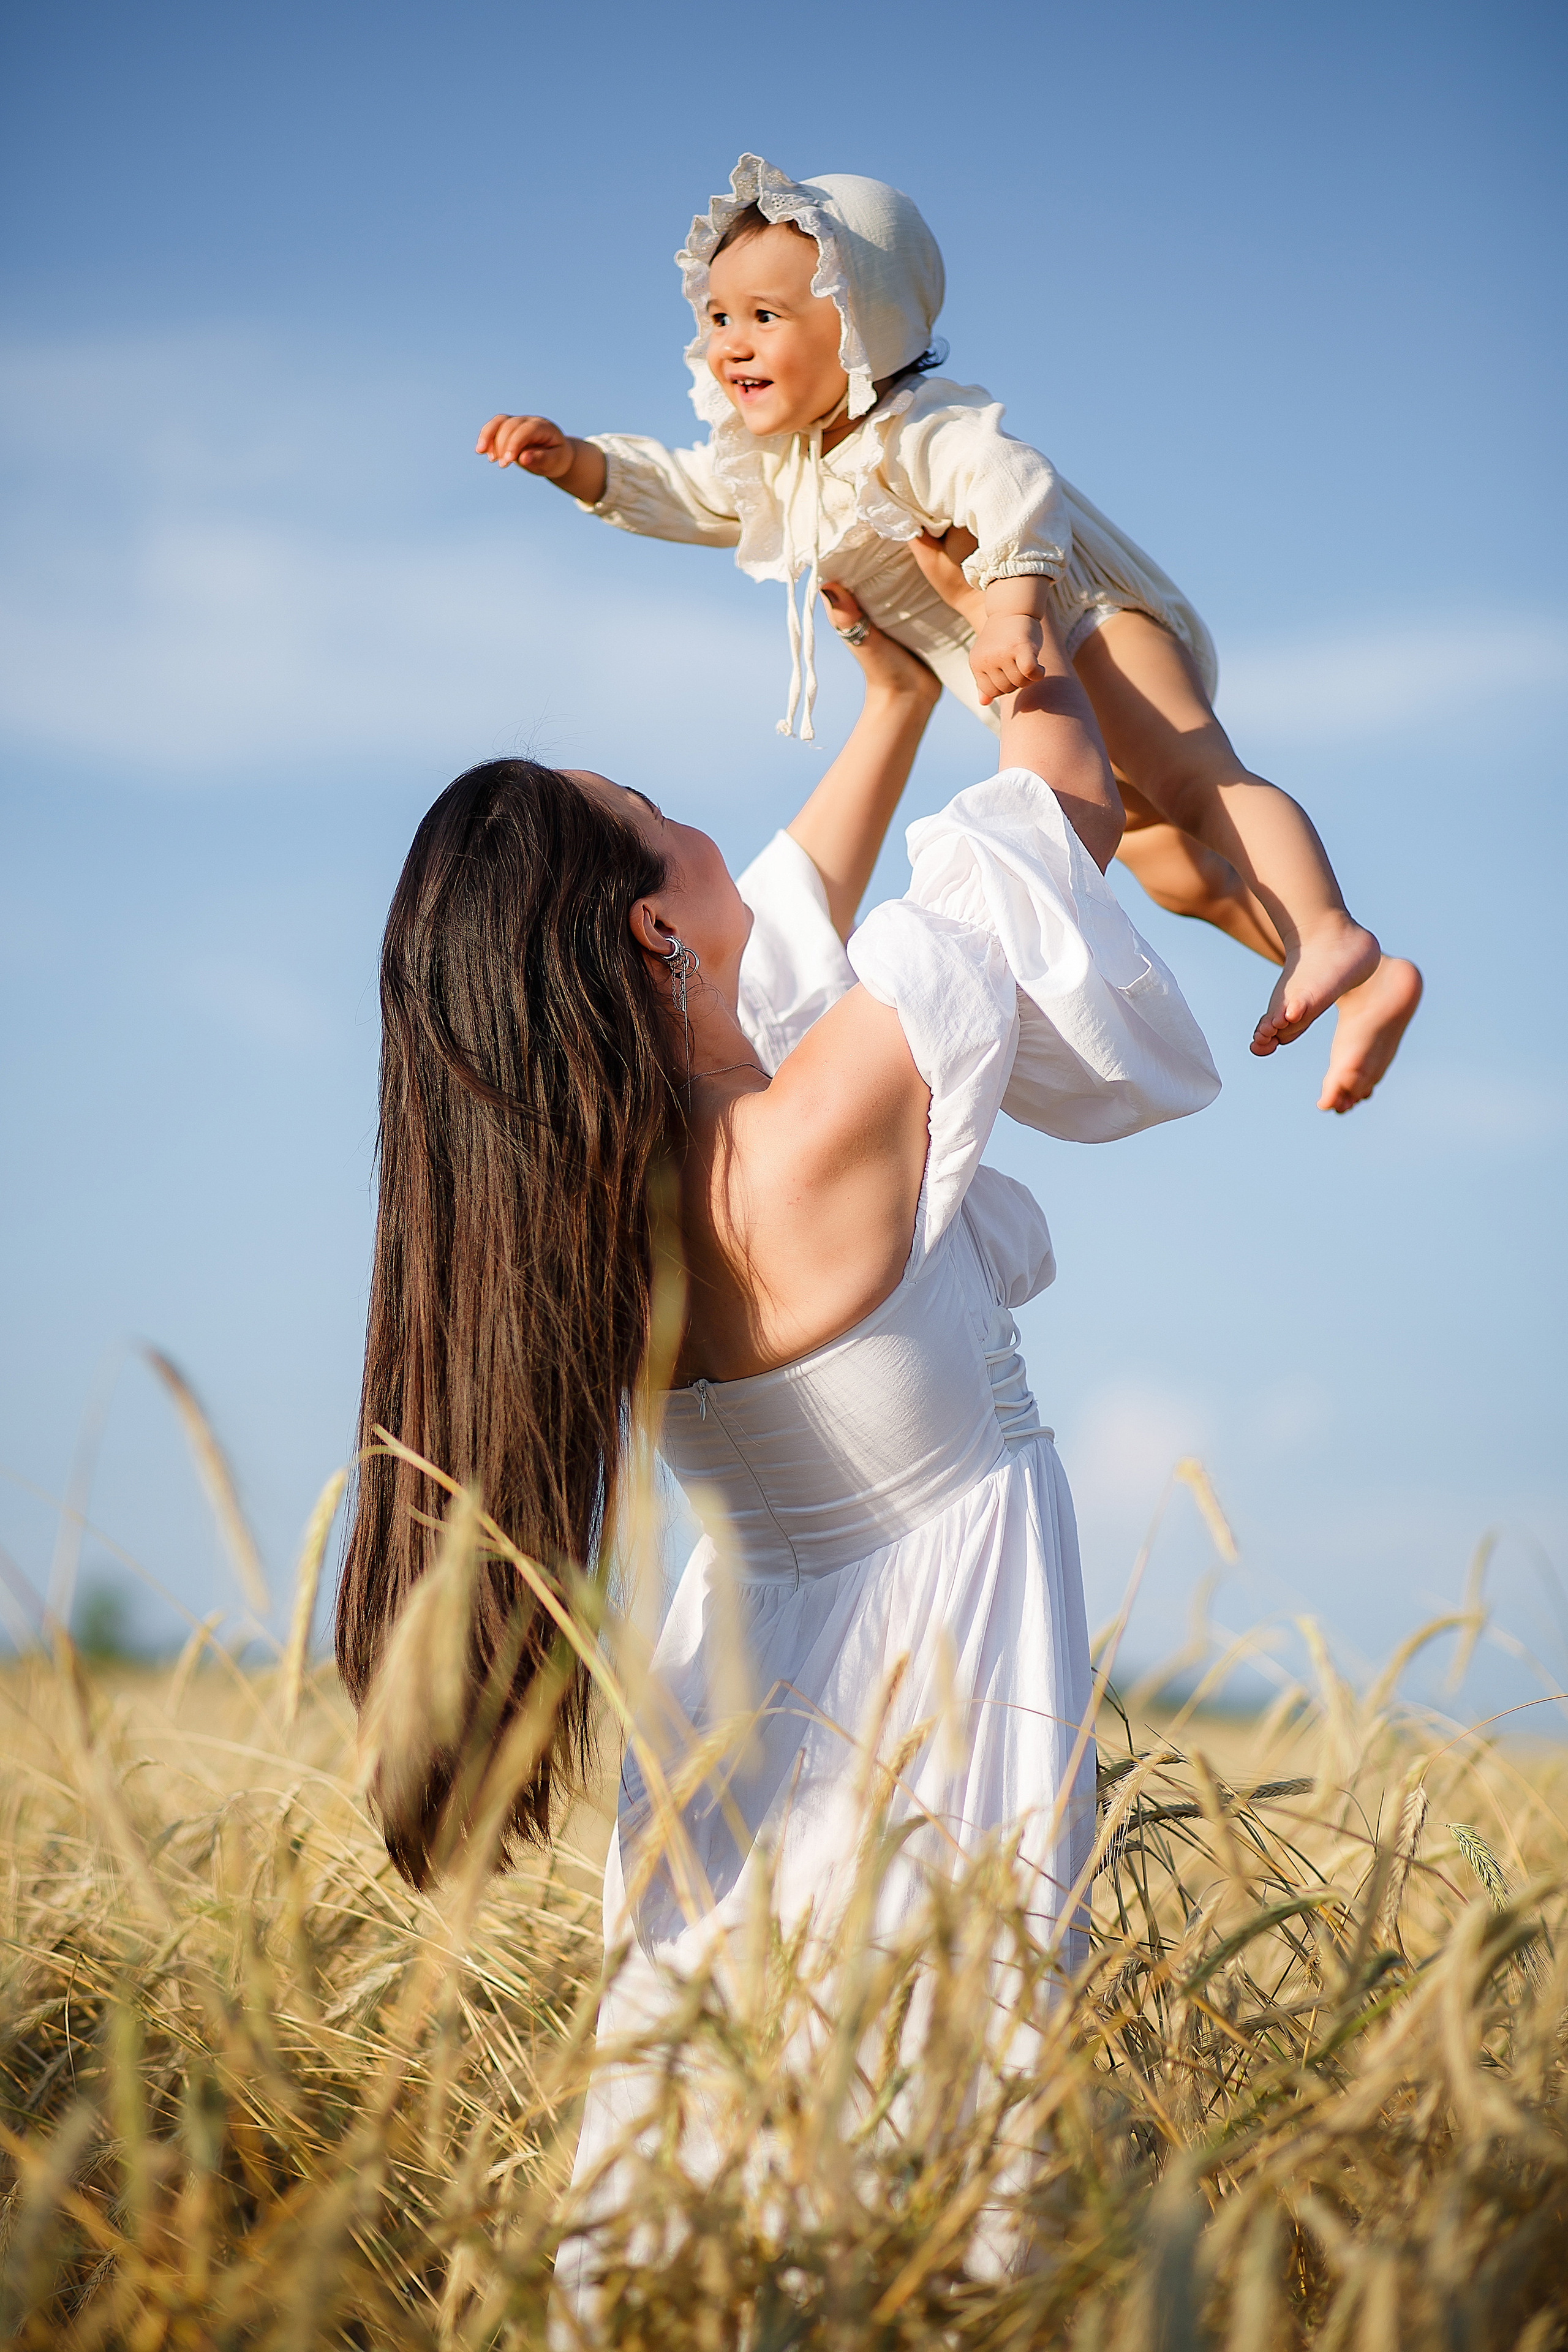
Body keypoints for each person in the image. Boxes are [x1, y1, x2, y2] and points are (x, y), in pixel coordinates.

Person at [334, 578, 1221, 2307]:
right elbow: (1050, 829)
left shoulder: (591, 1210)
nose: (700, 821)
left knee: (730, 2151)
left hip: (744, 1716)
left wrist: (889, 700)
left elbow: (794, 925)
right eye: (658, 822)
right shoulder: (819, 1127)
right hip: (925, 1709)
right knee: (922, 2163)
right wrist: (1014, 640)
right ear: (657, 938)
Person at [477, 153, 1422, 1115]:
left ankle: (1326, 926)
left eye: (767, 316)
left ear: (861, 324)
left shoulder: (916, 427)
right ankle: (1362, 975)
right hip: (1017, 674)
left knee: (1195, 779)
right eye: (720, 319)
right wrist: (581, 465)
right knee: (1175, 871)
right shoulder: (781, 465)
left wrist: (1013, 611)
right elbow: (684, 489)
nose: (733, 344)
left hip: (1081, 621)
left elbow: (1017, 489)